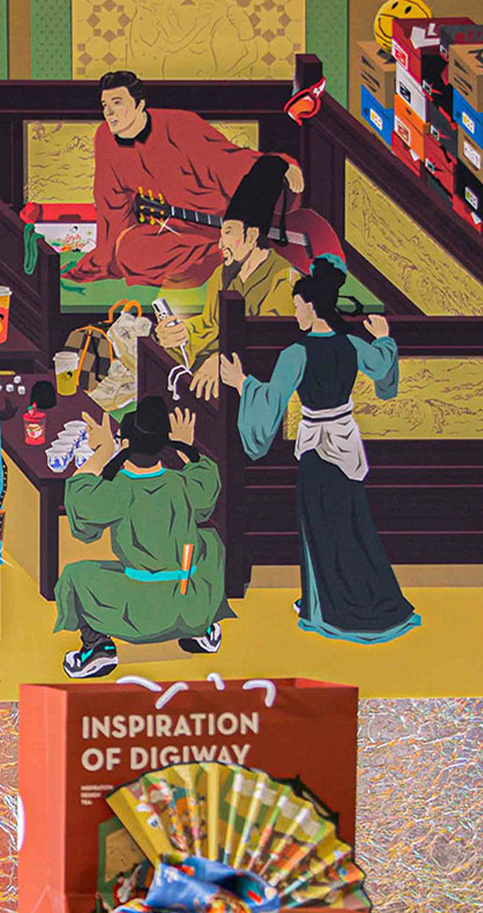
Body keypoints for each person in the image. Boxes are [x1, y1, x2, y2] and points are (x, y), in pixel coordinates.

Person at [209, 257, 420, 644]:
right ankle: (366, 599)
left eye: (297, 306)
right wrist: (384, 337)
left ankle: (331, 609)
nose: (295, 313)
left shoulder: (296, 353)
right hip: (346, 443)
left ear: (311, 305)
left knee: (322, 527)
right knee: (353, 525)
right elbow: (383, 367)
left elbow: (271, 401)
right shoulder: (351, 344)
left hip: (317, 450)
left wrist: (241, 383)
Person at [70, 71, 336, 290]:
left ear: (139, 104)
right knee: (129, 251)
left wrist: (279, 166)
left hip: (222, 217)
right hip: (175, 233)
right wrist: (106, 257)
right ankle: (226, 255)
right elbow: (110, 202)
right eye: (105, 106)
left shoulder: (180, 126)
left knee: (234, 231)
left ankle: (232, 250)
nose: (109, 113)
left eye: (117, 103)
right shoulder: (104, 137)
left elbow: (229, 161)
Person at [53, 393, 228, 679]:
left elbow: (80, 501)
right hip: (189, 597)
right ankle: (201, 626)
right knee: (209, 543)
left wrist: (103, 451)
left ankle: (97, 647)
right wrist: (186, 444)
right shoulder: (182, 483)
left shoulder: (120, 489)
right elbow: (207, 479)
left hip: (141, 611)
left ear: (124, 444)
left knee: (75, 575)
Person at [188, 157, 302, 394]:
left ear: (251, 236)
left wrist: (220, 360)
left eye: (228, 233)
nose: (221, 244)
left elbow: (268, 342)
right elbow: (208, 324)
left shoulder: (284, 278)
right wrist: (182, 332)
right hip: (210, 369)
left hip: (254, 385)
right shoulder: (222, 274)